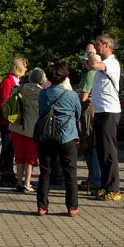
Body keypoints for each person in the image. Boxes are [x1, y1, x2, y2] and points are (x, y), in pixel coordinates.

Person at [35, 59, 83, 217]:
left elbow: (41, 110)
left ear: (48, 77)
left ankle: (42, 207)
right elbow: (78, 114)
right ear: (65, 77)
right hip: (67, 136)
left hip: (46, 136)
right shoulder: (72, 95)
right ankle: (72, 207)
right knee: (70, 172)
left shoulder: (43, 93)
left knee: (45, 172)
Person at [85, 34, 123, 201]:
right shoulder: (103, 63)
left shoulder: (111, 63)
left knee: (108, 151)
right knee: (101, 151)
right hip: (100, 111)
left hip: (109, 111)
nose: (95, 46)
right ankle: (104, 184)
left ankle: (113, 188)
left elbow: (94, 64)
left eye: (98, 44)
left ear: (107, 45)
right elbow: (90, 66)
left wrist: (91, 53)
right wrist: (89, 55)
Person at [8, 68, 44, 193]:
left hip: (17, 126)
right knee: (31, 158)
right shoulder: (42, 93)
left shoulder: (21, 88)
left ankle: (19, 182)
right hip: (32, 129)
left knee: (19, 156)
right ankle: (27, 183)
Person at [0, 57, 27, 187]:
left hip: (13, 121)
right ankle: (5, 175)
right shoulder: (8, 82)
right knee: (7, 148)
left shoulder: (17, 82)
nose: (26, 69)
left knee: (11, 148)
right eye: (24, 66)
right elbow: (4, 103)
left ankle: (9, 174)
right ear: (18, 68)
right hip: (7, 122)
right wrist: (10, 118)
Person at [78, 60, 101, 192]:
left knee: (90, 144)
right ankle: (94, 177)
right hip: (97, 110)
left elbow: (84, 97)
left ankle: (94, 178)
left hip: (89, 111)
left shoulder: (91, 74)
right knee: (94, 145)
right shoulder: (100, 73)